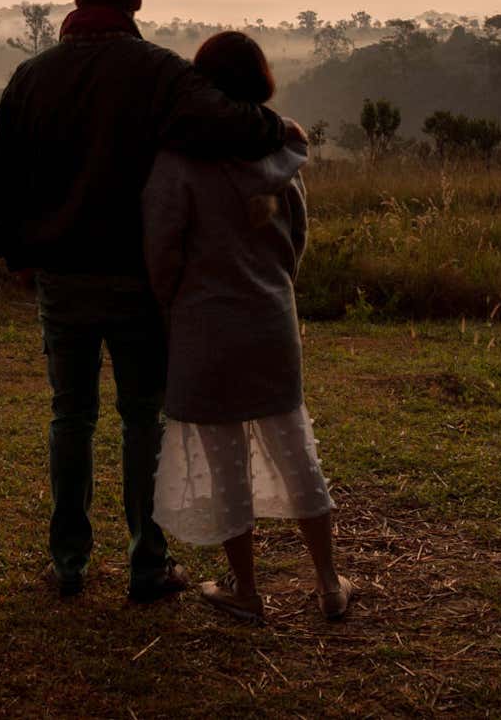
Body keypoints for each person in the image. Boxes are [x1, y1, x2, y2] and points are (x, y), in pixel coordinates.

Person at [0, 0, 299, 603]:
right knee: (141, 420)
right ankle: (146, 566)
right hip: (136, 281)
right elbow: (236, 127)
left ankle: (68, 565)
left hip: (60, 281)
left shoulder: (31, 77)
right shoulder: (159, 74)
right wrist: (279, 129)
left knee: (70, 417)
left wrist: (17, 257)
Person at [142, 31, 351, 623]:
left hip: (204, 327)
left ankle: (246, 591)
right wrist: (275, 288)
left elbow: (162, 252)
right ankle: (329, 583)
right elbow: (296, 239)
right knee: (295, 450)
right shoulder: (280, 151)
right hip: (271, 320)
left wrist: (171, 306)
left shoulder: (177, 160)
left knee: (226, 462)